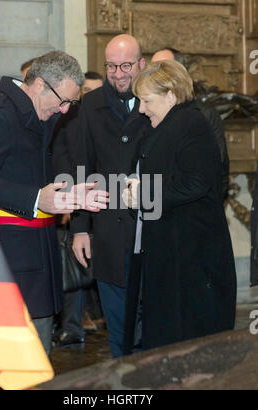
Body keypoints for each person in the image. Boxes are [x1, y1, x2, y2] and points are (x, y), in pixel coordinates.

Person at [0, 50, 109, 355]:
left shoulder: (41, 113)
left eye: (72, 103)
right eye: (64, 100)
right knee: (12, 356)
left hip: (39, 249)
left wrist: (69, 193)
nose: (66, 110)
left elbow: (36, 177)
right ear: (41, 84)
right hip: (8, 253)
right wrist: (37, 198)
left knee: (38, 352)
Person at [122, 60, 237, 354]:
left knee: (187, 350)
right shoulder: (165, 125)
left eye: (147, 101)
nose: (142, 109)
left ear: (171, 95)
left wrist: (145, 192)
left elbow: (196, 183)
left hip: (192, 262)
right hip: (172, 255)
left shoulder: (190, 123)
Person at [71, 34, 149, 358]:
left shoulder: (157, 99)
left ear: (141, 65)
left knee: (150, 322)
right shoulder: (89, 105)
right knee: (117, 327)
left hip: (150, 225)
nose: (117, 73)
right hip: (108, 230)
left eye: (125, 66)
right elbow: (81, 166)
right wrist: (79, 228)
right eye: (111, 66)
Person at [51, 71, 105, 348]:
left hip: (99, 199)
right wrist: (67, 195)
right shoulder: (70, 117)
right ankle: (71, 326)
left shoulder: (103, 118)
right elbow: (63, 158)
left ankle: (84, 320)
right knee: (72, 264)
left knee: (84, 266)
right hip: (72, 199)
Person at [151, 47, 230, 199]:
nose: (153, 75)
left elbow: (216, 168)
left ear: (179, 74)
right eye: (152, 68)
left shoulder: (205, 115)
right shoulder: (148, 114)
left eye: (161, 68)